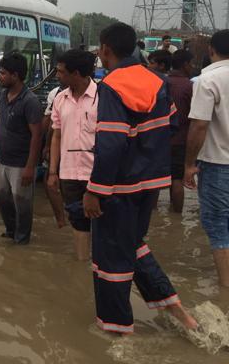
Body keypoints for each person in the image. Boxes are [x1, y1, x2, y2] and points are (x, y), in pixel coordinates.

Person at [83, 22, 197, 334]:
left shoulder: (111, 84)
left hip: (118, 188)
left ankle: (117, 331)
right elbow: (172, 126)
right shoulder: (157, 81)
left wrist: (94, 191)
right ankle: (179, 313)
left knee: (110, 259)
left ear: (105, 48)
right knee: (132, 246)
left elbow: (110, 143)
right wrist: (144, 157)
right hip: (150, 185)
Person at [184, 29, 229, 287]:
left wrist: (189, 165)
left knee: (218, 226)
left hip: (217, 164)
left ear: (211, 50)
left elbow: (199, 126)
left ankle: (225, 292)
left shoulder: (207, 79)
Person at [0, 52, 43, 244]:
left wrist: (30, 167)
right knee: (1, 198)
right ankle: (11, 230)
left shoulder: (30, 101)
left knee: (22, 202)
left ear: (15, 75)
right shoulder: (3, 95)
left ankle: (22, 239)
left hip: (21, 163)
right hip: (3, 159)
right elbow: (0, 122)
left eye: (3, 73)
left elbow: (37, 135)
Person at [48, 50, 98, 260]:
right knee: (78, 221)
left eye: (60, 72)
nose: (57, 75)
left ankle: (100, 268)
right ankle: (81, 265)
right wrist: (52, 172)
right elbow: (56, 136)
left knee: (101, 221)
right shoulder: (60, 98)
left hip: (96, 173)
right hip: (68, 173)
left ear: (75, 73)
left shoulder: (102, 96)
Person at [168, 49, 194, 214]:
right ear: (185, 65)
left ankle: (155, 213)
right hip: (180, 140)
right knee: (177, 179)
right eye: (191, 64)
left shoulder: (160, 82)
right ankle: (176, 218)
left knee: (156, 181)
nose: (192, 67)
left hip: (157, 139)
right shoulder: (190, 86)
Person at [42, 85, 67, 228]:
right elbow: (50, 122)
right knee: (50, 180)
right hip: (57, 145)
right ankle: (61, 219)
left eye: (61, 72)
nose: (58, 75)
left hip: (81, 150)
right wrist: (46, 145)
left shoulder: (97, 92)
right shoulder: (56, 94)